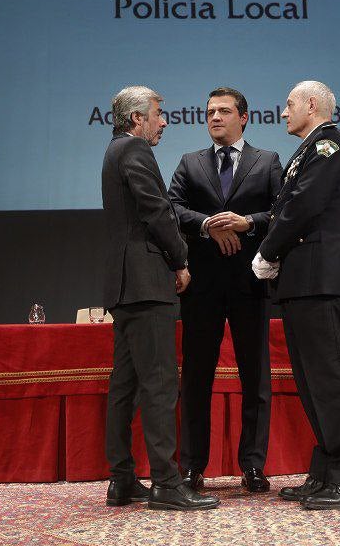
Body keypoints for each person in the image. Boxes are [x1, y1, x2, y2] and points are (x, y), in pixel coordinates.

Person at [101, 85, 219, 511]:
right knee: (159, 385)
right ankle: (167, 484)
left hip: (124, 285)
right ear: (137, 119)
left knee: (126, 383)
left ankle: (121, 479)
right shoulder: (135, 151)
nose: (164, 122)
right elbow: (156, 211)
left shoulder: (114, 150)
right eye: (158, 114)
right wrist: (180, 259)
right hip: (147, 282)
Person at [252, 80, 340, 510]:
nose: (283, 113)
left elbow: (302, 205)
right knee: (310, 382)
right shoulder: (308, 148)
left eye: (288, 105)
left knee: (331, 380)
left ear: (312, 105)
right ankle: (325, 472)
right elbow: (289, 204)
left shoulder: (330, 145)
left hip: (320, 278)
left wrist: (267, 249)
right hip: (301, 281)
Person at [167, 87, 282, 493]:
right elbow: (172, 207)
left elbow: (281, 211)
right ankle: (192, 466)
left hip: (251, 283)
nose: (215, 117)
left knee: (256, 377)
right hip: (202, 287)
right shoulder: (189, 162)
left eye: (224, 111)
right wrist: (210, 225)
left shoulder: (267, 161)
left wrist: (246, 222)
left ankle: (253, 465)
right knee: (196, 377)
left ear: (244, 117)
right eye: (210, 112)